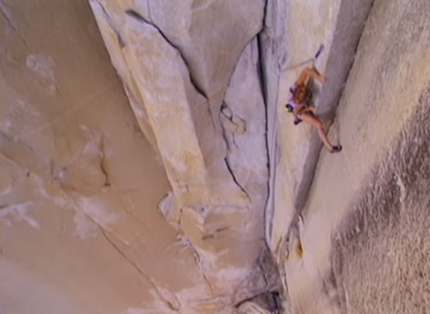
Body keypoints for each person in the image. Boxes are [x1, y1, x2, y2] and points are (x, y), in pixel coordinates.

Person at [286, 67, 342, 153]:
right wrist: (309, 108)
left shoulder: (297, 85)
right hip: (299, 112)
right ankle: (331, 148)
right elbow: (298, 112)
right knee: (318, 124)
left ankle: (330, 148)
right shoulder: (298, 105)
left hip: (297, 107)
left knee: (319, 125)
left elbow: (305, 71)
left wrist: (319, 77)